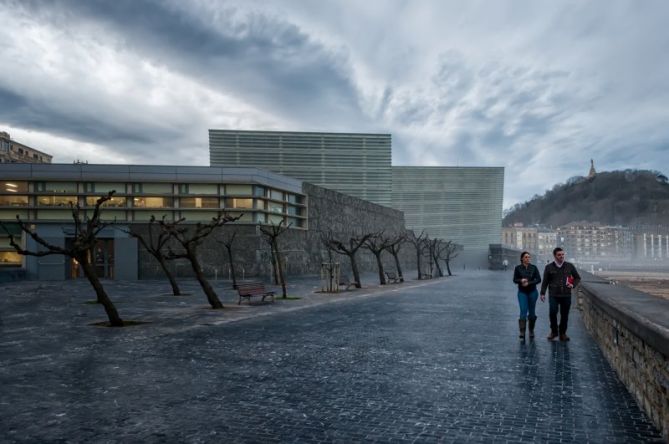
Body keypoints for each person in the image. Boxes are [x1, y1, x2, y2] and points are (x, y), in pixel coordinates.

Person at [540, 247, 581, 341]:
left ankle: (563, 333)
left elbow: (577, 278)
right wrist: (542, 293)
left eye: (563, 254)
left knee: (565, 315)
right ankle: (554, 332)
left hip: (566, 295)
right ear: (555, 256)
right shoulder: (549, 267)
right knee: (552, 313)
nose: (561, 256)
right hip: (553, 294)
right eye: (559, 255)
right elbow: (545, 281)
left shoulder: (569, 266)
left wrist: (572, 285)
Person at [512, 252, 541, 340]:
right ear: (522, 259)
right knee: (523, 311)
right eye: (526, 257)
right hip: (522, 292)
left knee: (532, 313)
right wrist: (521, 280)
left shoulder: (534, 267)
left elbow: (539, 279)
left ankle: (531, 330)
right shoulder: (517, 268)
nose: (528, 258)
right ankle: (522, 331)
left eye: (529, 257)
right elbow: (514, 280)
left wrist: (529, 283)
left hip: (532, 292)